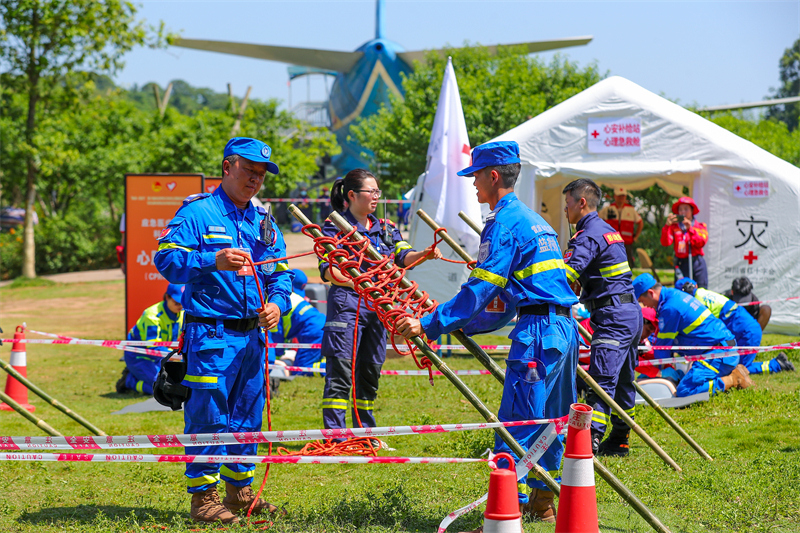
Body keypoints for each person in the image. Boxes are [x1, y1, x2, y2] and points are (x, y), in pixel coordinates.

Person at [396, 141, 579, 524]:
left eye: (476, 176)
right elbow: (508, 303)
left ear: (493, 176)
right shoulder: (535, 221)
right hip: (561, 329)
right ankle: (543, 506)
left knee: (518, 424)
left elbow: (481, 289)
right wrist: (464, 325)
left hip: (538, 333)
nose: (474, 185)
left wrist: (428, 324)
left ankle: (501, 520)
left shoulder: (503, 224)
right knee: (552, 420)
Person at [154, 137, 293, 525]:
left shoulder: (263, 221)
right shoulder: (198, 212)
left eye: (262, 175)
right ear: (227, 167)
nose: (255, 180)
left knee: (249, 413)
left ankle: (239, 490)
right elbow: (165, 260)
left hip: (254, 338)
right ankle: (204, 498)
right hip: (211, 335)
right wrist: (210, 260)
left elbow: (282, 274)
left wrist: (278, 305)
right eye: (249, 171)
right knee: (209, 414)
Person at [319, 169, 441, 436]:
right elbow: (328, 271)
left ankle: (365, 434)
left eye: (378, 192)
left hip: (378, 309)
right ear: (351, 195)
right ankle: (336, 436)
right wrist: (361, 284)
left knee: (370, 371)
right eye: (370, 191)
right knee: (341, 370)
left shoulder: (387, 228)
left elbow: (403, 255)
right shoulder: (334, 226)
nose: (376, 197)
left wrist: (425, 254)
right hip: (347, 306)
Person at [562, 178, 642, 458]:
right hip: (630, 312)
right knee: (623, 380)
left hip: (612, 315)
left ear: (581, 203)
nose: (565, 210)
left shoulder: (587, 235)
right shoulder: (609, 231)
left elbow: (566, 277)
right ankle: (619, 439)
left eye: (568, 203)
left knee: (601, 379)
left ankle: (589, 442)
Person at [633, 273, 753, 398]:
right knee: (683, 378)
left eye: (642, 301)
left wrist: (656, 372)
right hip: (724, 348)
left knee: (685, 390)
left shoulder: (670, 309)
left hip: (718, 354)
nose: (645, 306)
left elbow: (662, 349)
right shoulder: (675, 296)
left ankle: (733, 379)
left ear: (651, 293)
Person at [676, 279, 794, 375]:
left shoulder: (696, 302)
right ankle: (777, 363)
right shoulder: (702, 293)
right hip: (743, 332)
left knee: (737, 368)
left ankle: (777, 364)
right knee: (731, 364)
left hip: (747, 333)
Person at [116, 283, 185, 394]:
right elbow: (153, 348)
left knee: (179, 384)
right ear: (167, 297)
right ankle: (128, 381)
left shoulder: (183, 313)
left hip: (160, 356)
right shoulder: (152, 316)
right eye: (177, 302)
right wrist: (177, 356)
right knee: (161, 389)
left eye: (183, 302)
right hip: (138, 356)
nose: (180, 306)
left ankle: (140, 375)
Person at [270, 269, 327, 376]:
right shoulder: (295, 297)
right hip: (320, 326)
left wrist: (275, 358)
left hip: (313, 331)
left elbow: (276, 333)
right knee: (299, 363)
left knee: (300, 369)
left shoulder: (278, 301)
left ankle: (333, 368)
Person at [661, 196, 708, 288]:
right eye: (680, 209)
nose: (683, 212)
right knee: (682, 292)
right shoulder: (674, 227)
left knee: (701, 290)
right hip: (681, 264)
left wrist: (690, 229)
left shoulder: (700, 226)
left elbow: (701, 242)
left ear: (692, 210)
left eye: (686, 209)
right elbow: (665, 242)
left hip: (697, 263)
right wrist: (667, 226)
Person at [598, 186, 643, 267]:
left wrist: (636, 237)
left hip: (627, 242)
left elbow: (640, 223)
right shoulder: (608, 209)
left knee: (628, 265)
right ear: (615, 196)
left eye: (623, 196)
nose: (621, 198)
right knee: (611, 264)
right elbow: (597, 220)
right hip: (610, 242)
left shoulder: (631, 210)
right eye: (619, 195)